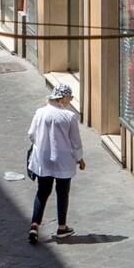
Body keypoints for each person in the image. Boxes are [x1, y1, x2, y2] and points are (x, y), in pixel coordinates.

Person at [25, 81, 86, 242]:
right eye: (70, 97)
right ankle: (62, 227)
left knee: (42, 192)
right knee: (62, 193)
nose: (70, 101)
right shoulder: (69, 116)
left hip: (43, 159)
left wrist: (42, 144)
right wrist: (79, 158)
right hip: (63, 160)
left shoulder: (40, 112)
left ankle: (34, 225)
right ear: (63, 97)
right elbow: (75, 141)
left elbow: (31, 134)